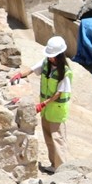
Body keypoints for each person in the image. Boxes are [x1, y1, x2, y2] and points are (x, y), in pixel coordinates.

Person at [9, 36, 72, 175]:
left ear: (60, 55)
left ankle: (62, 170)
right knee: (49, 138)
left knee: (58, 140)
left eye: (53, 56)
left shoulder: (65, 72)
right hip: (46, 110)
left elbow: (58, 94)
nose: (50, 59)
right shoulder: (46, 63)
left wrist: (42, 104)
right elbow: (31, 69)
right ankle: (54, 165)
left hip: (56, 111)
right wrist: (20, 74)